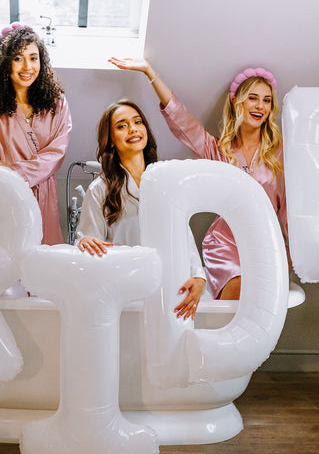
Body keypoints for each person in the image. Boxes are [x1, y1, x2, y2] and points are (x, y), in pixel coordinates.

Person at [108, 58, 287, 301]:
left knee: (264, 305)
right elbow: (181, 119)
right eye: (252, 98)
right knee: (236, 300)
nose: (260, 106)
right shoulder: (218, 150)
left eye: (267, 100)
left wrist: (298, 253)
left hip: (266, 243)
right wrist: (150, 71)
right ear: (237, 101)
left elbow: (287, 209)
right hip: (226, 244)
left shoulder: (279, 155)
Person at [76, 99, 206, 320]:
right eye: (121, 125)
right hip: (126, 292)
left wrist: (198, 276)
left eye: (137, 122)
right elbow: (89, 241)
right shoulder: (100, 189)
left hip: (171, 288)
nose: (133, 129)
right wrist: (83, 242)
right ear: (110, 141)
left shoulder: (166, 181)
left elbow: (184, 235)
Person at [0, 23, 72, 244]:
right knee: (5, 267)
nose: (27, 66)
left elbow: (57, 153)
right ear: (4, 63)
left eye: (33, 57)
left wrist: (14, 170)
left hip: (46, 201)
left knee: (42, 271)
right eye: (18, 58)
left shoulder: (57, 103)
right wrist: (9, 177)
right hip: (6, 200)